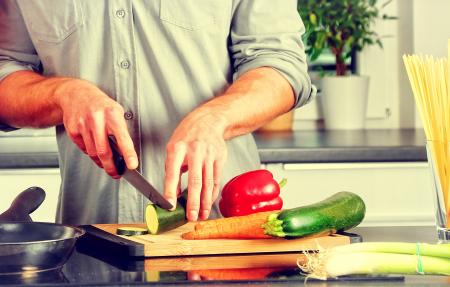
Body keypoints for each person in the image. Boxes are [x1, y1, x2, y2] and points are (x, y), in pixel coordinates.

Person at [0, 1, 316, 225]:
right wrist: (62, 94)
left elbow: (280, 65)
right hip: (90, 239)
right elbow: (6, 71)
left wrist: (216, 117)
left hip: (225, 234)